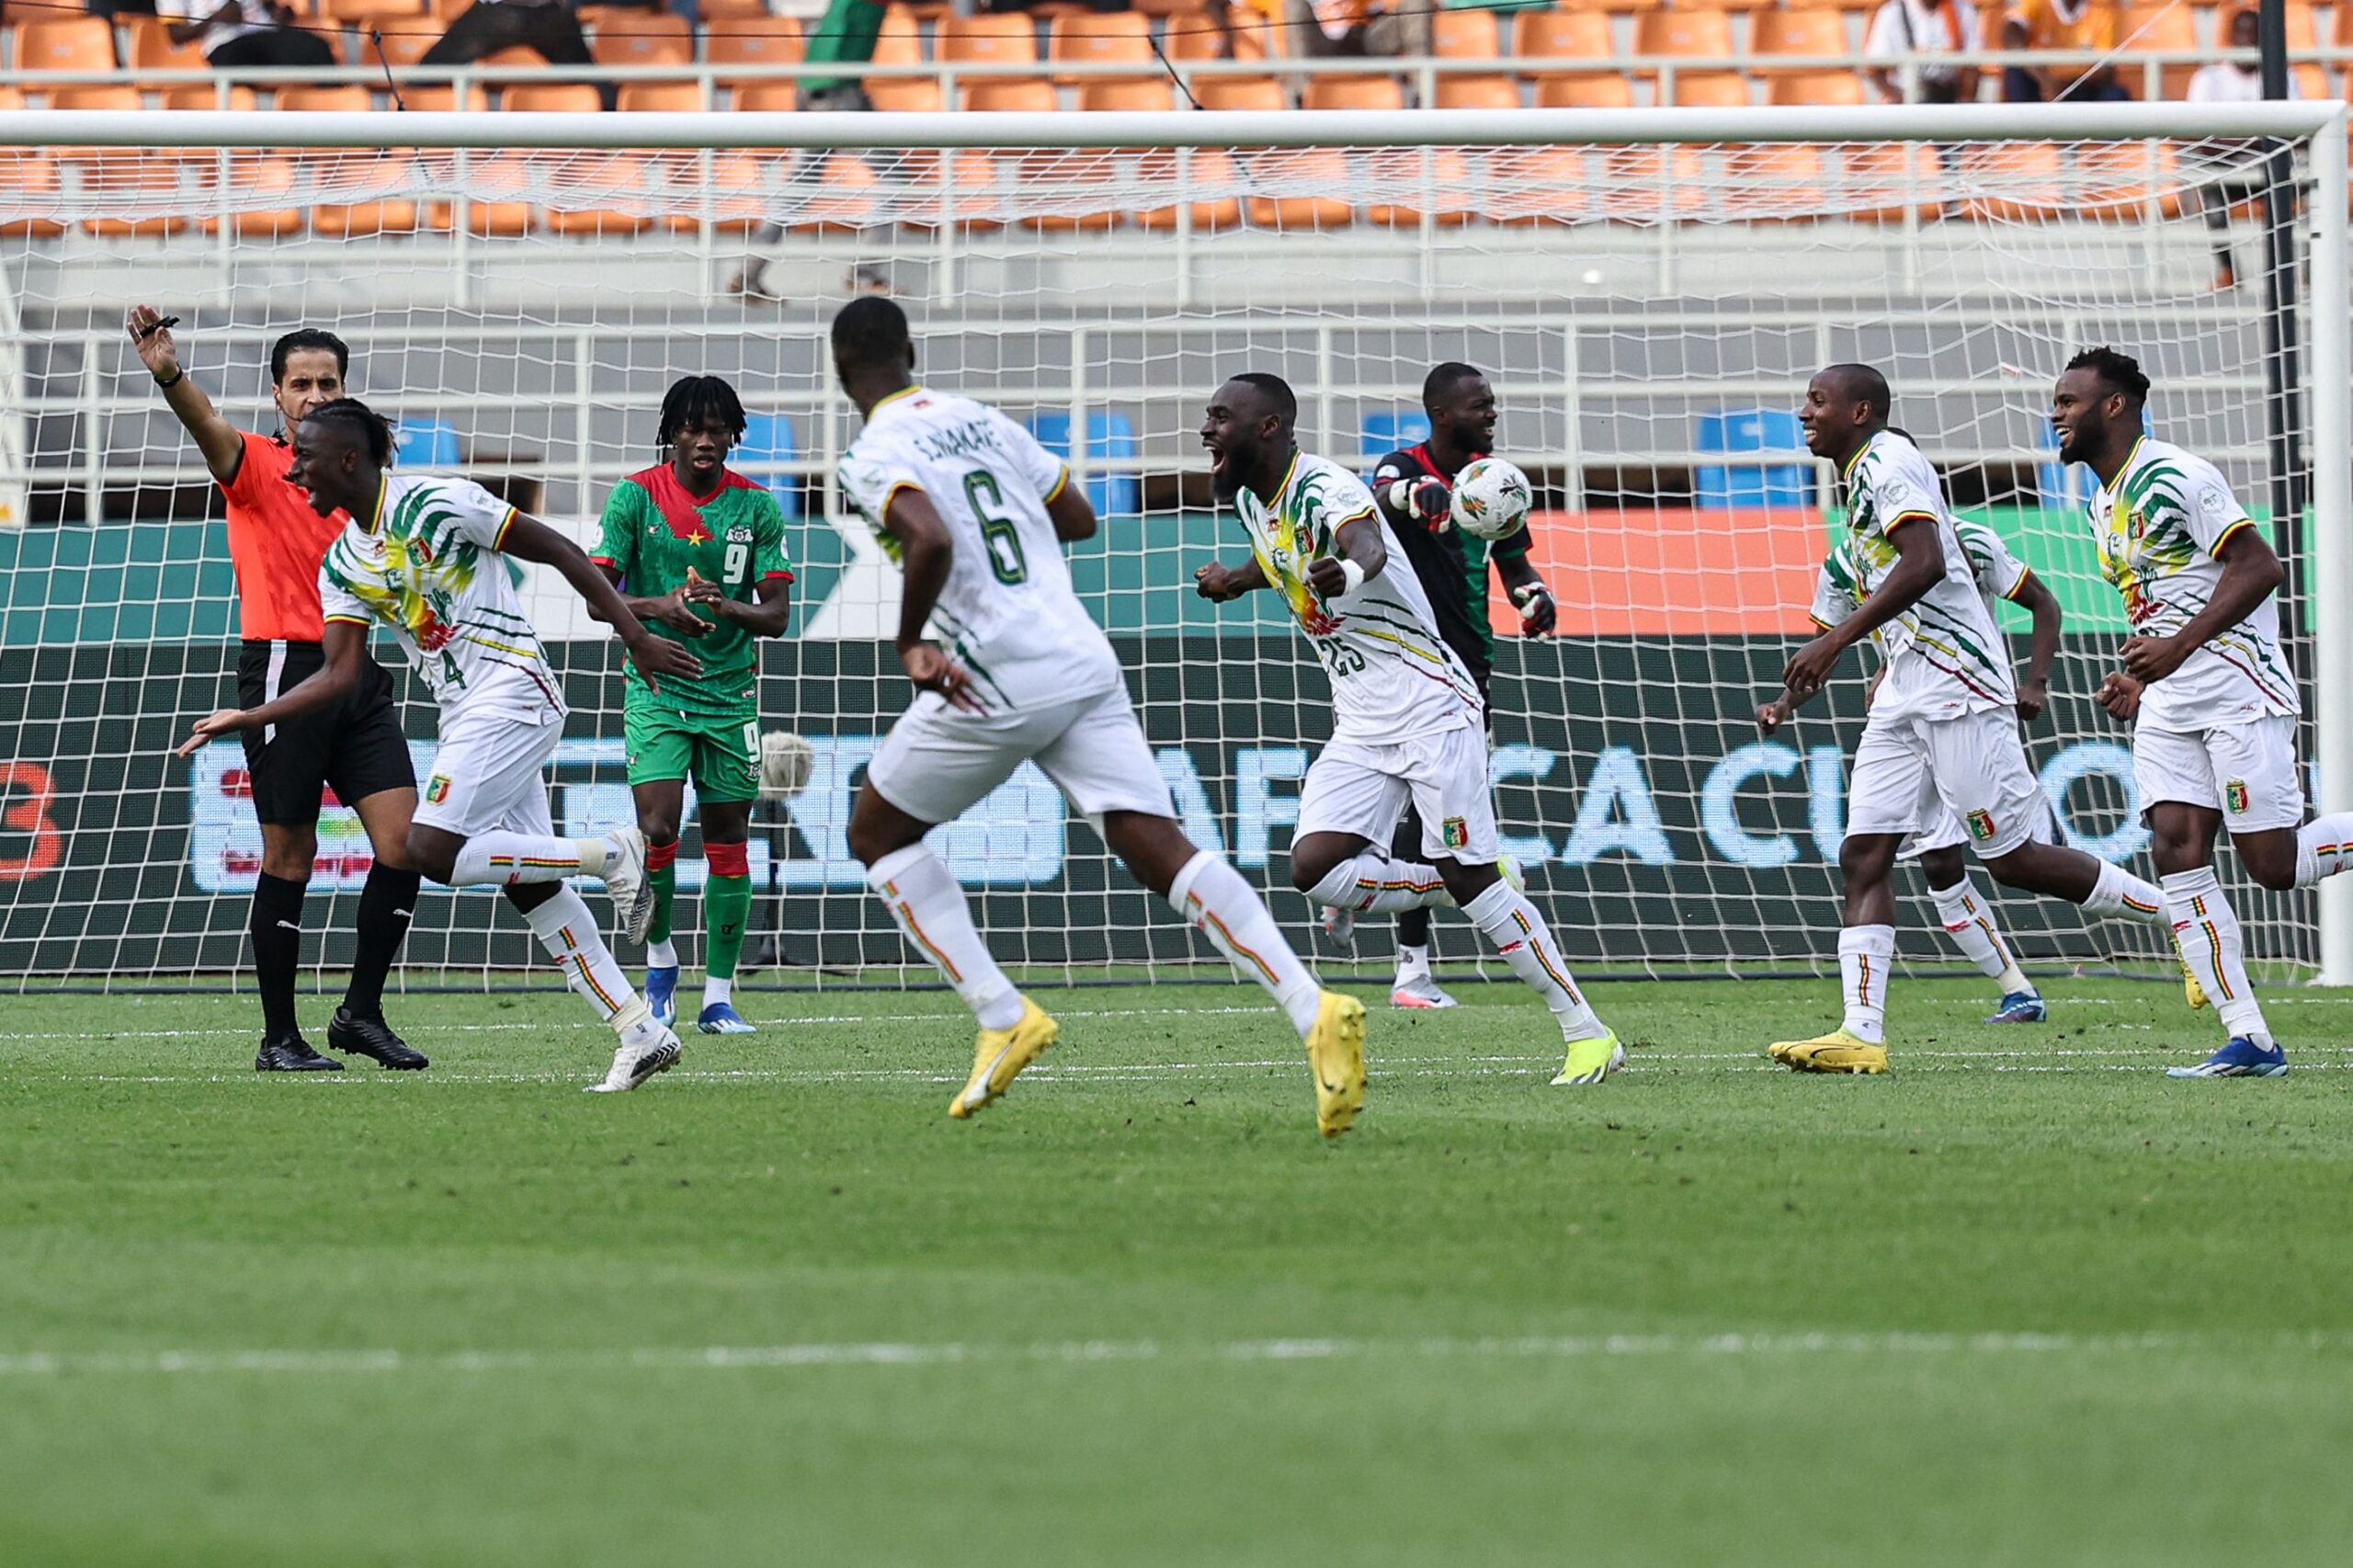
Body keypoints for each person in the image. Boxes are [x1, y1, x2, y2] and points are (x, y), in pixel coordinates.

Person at [829, 301, 1368, 1136]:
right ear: (911, 352)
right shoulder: (979, 419)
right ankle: (1312, 1007)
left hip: (996, 668)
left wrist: (911, 643)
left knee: (876, 833)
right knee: (1158, 846)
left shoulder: (870, 453)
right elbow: (1077, 517)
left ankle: (1001, 1013)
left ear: (841, 373)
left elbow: (927, 537)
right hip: (1080, 653)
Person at [176, 399, 704, 1093]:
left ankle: (610, 853)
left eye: (304, 457)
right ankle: (637, 1027)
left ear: (348, 461)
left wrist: (636, 638)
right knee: (534, 885)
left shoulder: (440, 502)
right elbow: (338, 673)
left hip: (514, 691)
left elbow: (563, 552)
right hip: (466, 715)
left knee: (427, 851)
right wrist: (254, 717)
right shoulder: (343, 563)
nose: (293, 469)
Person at [1195, 373, 1623, 1088]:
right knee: (1317, 870)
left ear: (1267, 427)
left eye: (1219, 417)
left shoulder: (1324, 487)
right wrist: (1238, 581)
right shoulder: (1247, 496)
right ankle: (1449, 881)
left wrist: (1349, 574)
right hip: (1360, 715)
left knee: (1474, 880)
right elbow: (1282, 560)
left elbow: (1368, 547)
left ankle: (1587, 1032)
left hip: (1431, 704)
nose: (1207, 429)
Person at [1760, 363, 2175, 1074]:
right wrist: (1805, 681)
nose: (1804, 413)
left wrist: (1836, 641)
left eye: (1817, 401)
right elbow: (1870, 592)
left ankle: (2180, 919)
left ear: (1860, 413)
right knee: (1865, 853)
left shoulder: (1889, 459)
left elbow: (1921, 564)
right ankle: (1861, 1033)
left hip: (1957, 685)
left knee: (2011, 860)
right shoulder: (1855, 506)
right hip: (1902, 696)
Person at [130, 308, 424, 1074]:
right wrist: (169, 372)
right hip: (283, 671)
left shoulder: (371, 485)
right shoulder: (255, 463)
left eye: (329, 382)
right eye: (302, 384)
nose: (316, 395)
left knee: (405, 843)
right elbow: (205, 425)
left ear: (347, 391)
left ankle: (360, 1012)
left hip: (356, 673)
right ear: (277, 395)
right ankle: (278, 1039)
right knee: (287, 856)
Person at [2053, 347, 2353, 1077]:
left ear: (2113, 405)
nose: (2055, 412)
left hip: (2238, 693)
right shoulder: (2101, 500)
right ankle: (2248, 1037)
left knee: (2274, 867)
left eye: (2069, 401)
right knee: (2175, 851)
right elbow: (2163, 600)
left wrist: (2180, 649)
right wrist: (2143, 679)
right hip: (2172, 702)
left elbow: (2260, 567)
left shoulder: (2177, 475)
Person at [1764, 513, 2064, 1024]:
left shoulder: (1967, 542)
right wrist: (1784, 704)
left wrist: (2034, 682)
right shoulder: (1844, 565)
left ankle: (2177, 916)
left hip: (1964, 709)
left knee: (2013, 861)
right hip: (1903, 715)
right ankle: (2013, 991)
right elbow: (1825, 648)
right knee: (1922, 862)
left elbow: (2043, 603)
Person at [589, 376, 792, 1037]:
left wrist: (722, 605)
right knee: (656, 829)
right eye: (692, 427)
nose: (705, 440)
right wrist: (658, 610)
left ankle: (719, 997)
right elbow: (599, 597)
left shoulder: (757, 508)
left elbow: (777, 616)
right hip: (657, 688)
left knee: (731, 838)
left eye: (718, 429)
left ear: (733, 434)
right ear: (671, 432)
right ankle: (660, 966)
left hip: (730, 694)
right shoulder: (634, 496)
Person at [1363, 362, 1558, 1010]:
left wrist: (1533, 599)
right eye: (1481, 406)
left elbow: (1516, 562)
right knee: (1429, 817)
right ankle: (1410, 972)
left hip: (1471, 668)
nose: (1492, 415)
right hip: (1406, 663)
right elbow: (1385, 492)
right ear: (1443, 414)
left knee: (1429, 815)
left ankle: (1360, 890)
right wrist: (1418, 498)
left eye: (1493, 405)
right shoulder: (1404, 463)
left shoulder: (1495, 484)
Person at [2187, 7, 2296, 292]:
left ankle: (2287, 273)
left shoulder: (2281, 75)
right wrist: (2258, 138)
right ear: (2231, 37)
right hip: (2227, 170)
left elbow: (2297, 132)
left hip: (2270, 168)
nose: (2247, 40)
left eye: (2254, 34)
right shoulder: (2208, 78)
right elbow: (2198, 138)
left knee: (2295, 191)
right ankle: (2228, 272)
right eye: (2242, 32)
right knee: (2211, 197)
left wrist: (2231, 137)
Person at [2004, 0, 2128, 103]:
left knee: (2115, 94)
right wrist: (2046, 81)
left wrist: (2065, 84)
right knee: (2015, 69)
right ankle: (2022, 130)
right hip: (2041, 82)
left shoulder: (2100, 13)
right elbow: (2011, 38)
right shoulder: (2037, 4)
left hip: (2081, 86)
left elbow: (2106, 70)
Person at [158, 0, 337, 71]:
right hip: (225, 43)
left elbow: (269, 7)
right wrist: (217, 18)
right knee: (231, 62)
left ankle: (333, 121)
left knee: (316, 47)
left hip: (267, 35)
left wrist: (280, 14)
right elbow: (175, 35)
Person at [1862, 0, 1983, 104]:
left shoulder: (1963, 10)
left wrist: (1964, 102)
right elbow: (1875, 70)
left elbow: (1973, 66)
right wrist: (1899, 98)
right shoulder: (1892, 13)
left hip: (1951, 98)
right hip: (1907, 98)